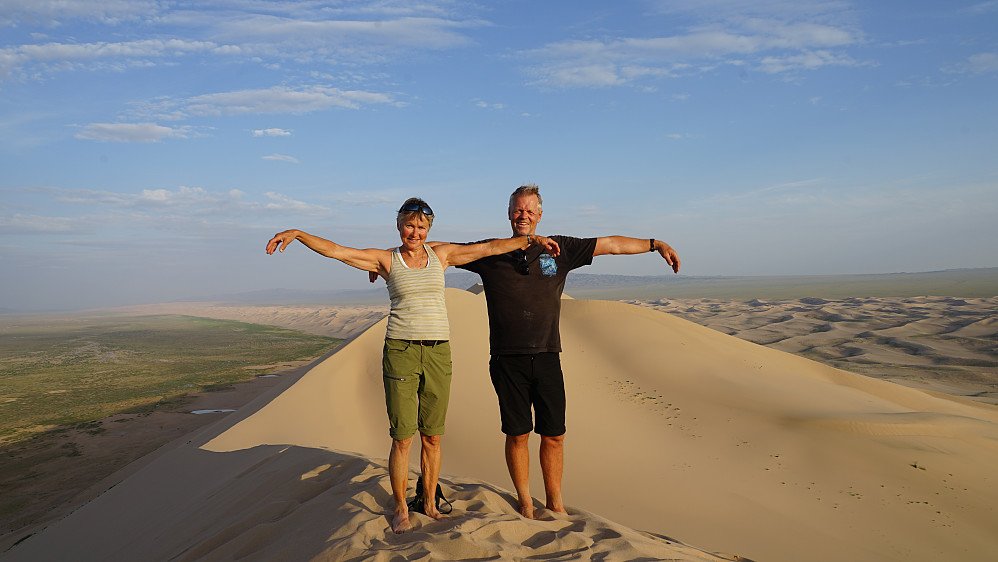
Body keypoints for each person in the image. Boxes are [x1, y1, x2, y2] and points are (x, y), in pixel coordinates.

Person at [265, 197, 560, 534]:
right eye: (409, 225)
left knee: (432, 436)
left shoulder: (441, 254)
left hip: (438, 352)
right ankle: (402, 507)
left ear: (428, 229)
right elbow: (338, 251)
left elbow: (491, 248)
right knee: (403, 437)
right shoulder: (385, 260)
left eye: (421, 226)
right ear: (399, 226)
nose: (415, 232)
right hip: (401, 350)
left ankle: (431, 503)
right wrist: (299, 234)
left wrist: (531, 240)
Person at [454, 184, 681, 518]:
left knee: (554, 435)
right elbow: (444, 253)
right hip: (507, 359)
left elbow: (611, 245)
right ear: (508, 212)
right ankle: (526, 503)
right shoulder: (492, 252)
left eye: (530, 210)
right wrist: (398, 259)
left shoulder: (560, 248)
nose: (523, 215)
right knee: (517, 435)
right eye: (518, 209)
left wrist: (654, 245)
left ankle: (555, 504)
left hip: (547, 356)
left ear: (540, 215)